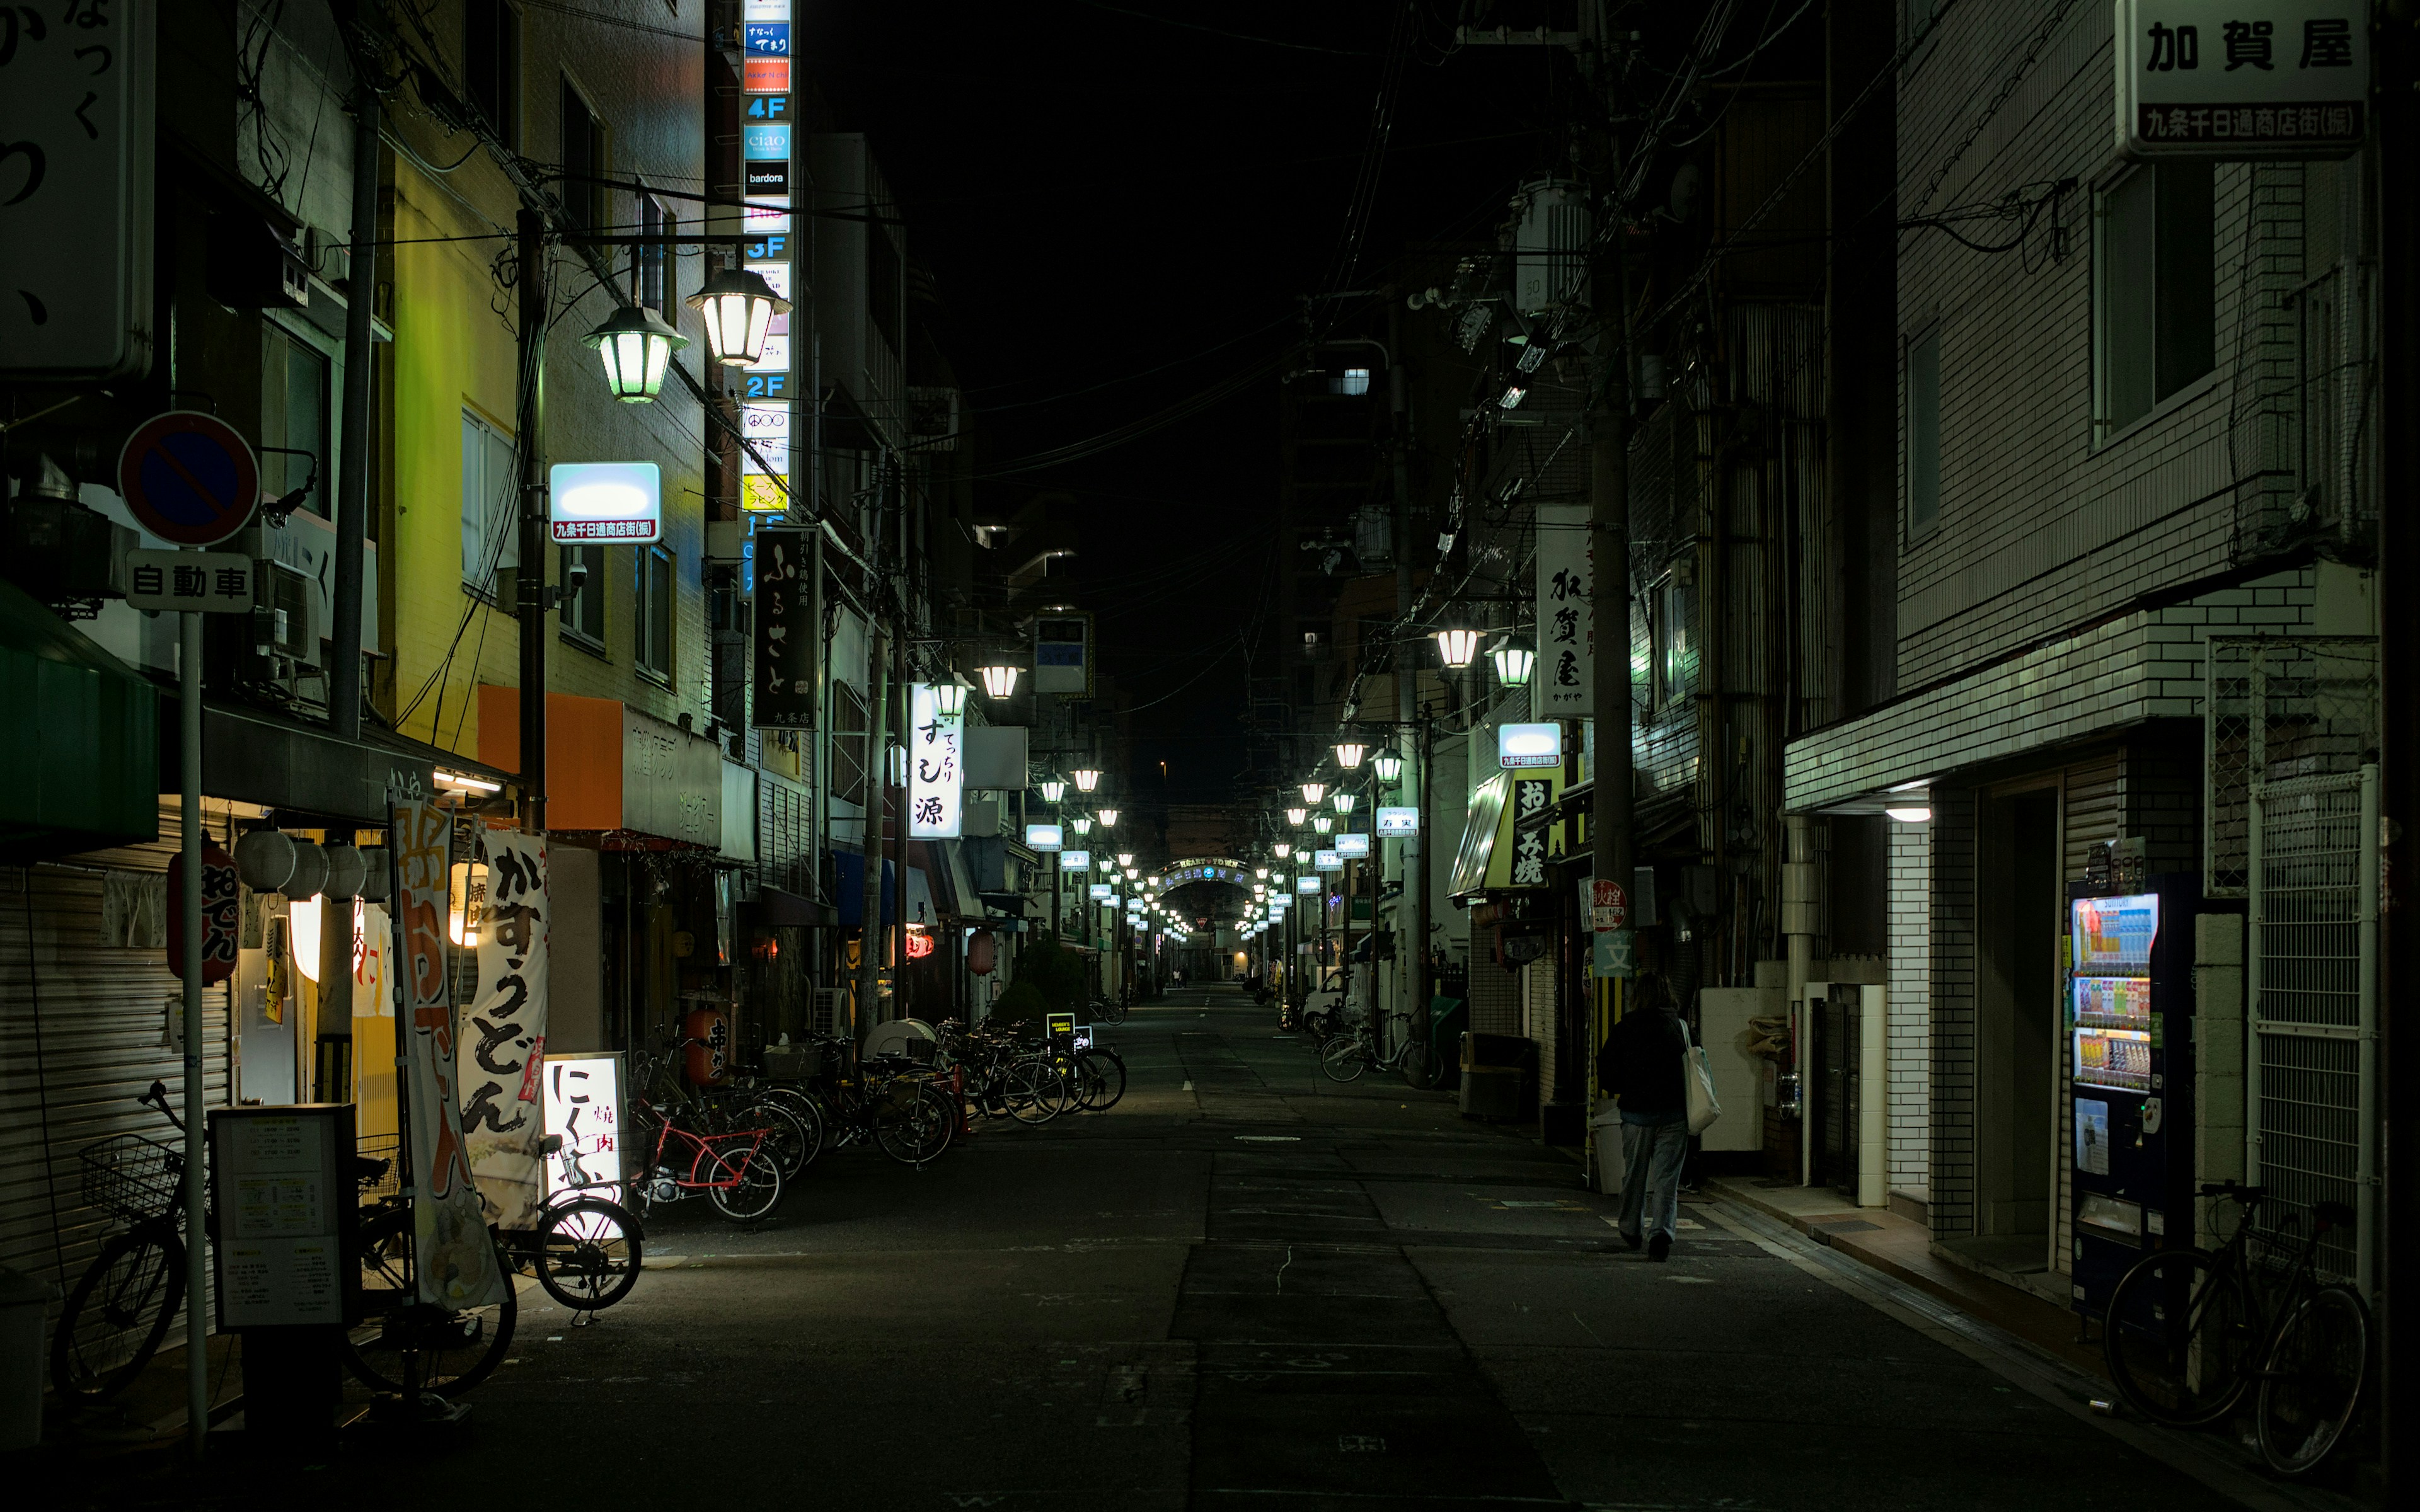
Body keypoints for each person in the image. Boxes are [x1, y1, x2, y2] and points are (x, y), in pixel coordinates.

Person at [1596, 975, 1690, 1261]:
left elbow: (1607, 1071)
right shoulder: (1679, 1026)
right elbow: (1694, 1065)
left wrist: (1626, 1088)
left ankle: (1631, 1228)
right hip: (1674, 1115)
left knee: (1635, 1175)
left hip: (1637, 1114)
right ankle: (1661, 1233)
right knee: (1667, 1180)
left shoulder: (1626, 1028)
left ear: (1637, 996)